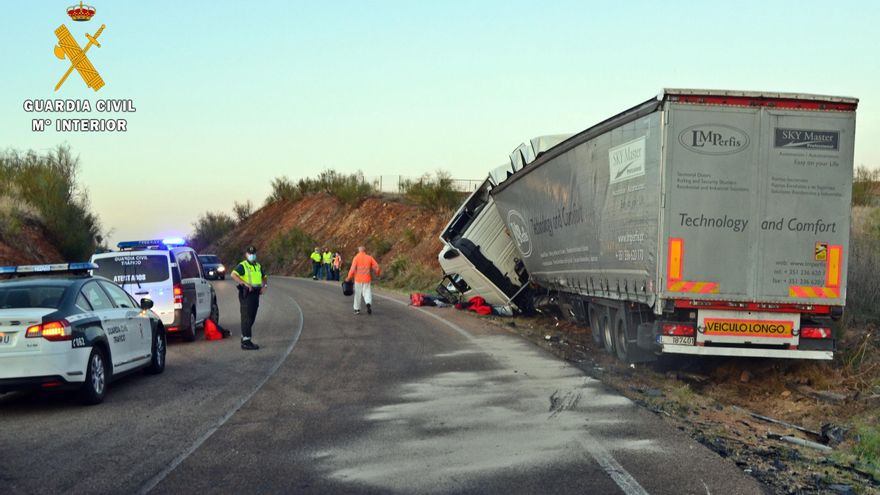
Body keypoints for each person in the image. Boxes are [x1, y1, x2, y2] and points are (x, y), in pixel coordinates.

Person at [230, 246, 267, 350]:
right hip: (246, 294)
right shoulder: (243, 265)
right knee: (246, 317)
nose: (252, 255)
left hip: (255, 294)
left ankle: (244, 337)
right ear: (246, 254)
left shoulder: (258, 266)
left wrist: (265, 286)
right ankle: (246, 342)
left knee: (252, 316)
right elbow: (233, 274)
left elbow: (264, 277)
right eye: (250, 254)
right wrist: (244, 283)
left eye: (254, 253)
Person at [346, 246, 380, 315]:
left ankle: (357, 309)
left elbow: (352, 269)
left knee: (358, 294)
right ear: (365, 251)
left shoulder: (356, 258)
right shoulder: (369, 258)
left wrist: (348, 277)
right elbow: (377, 267)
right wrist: (378, 274)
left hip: (358, 279)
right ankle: (368, 303)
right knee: (367, 292)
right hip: (367, 279)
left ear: (359, 251)